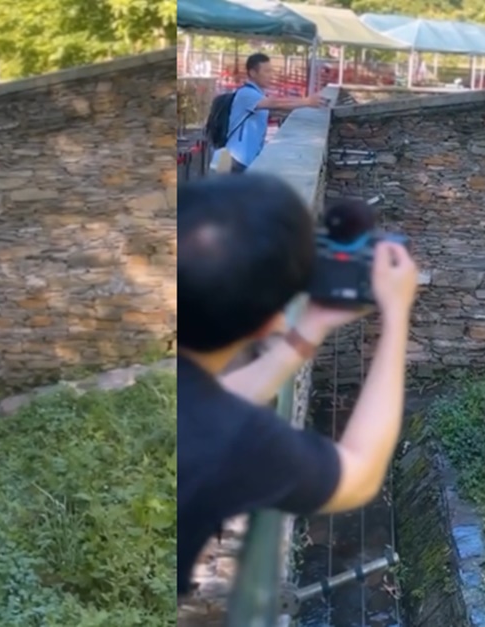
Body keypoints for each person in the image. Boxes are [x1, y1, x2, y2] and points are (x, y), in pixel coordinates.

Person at [177, 174, 419, 596]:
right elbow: (359, 473)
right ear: (271, 321)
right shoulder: (233, 441)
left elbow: (218, 403)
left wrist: (310, 327)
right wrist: (397, 316)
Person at [224, 53, 327, 173]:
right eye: (266, 71)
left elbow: (276, 109)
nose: (271, 76)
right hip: (236, 159)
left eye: (271, 71)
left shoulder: (258, 94)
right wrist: (307, 102)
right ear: (252, 73)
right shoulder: (247, 94)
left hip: (245, 159)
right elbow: (276, 103)